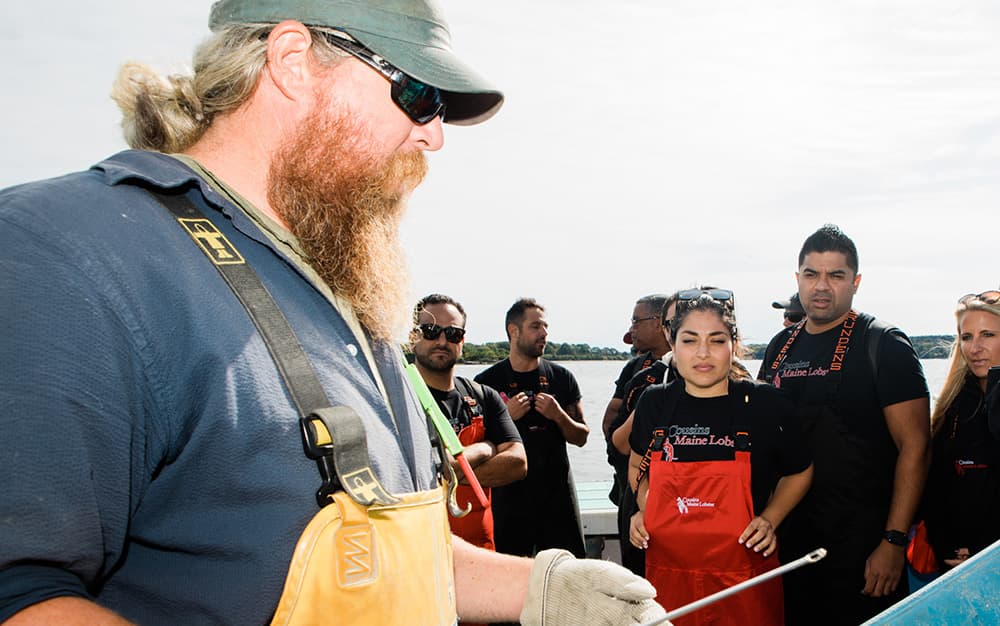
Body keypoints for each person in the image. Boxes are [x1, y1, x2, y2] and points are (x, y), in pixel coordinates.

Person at [0, 2, 666, 624]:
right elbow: (21, 593)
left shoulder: (343, 294)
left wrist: (543, 589)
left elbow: (380, 556)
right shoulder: (68, 251)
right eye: (418, 94)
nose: (433, 134)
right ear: (292, 59)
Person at [758, 224, 931, 626]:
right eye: (811, 274)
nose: (822, 286)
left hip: (864, 545)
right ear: (797, 278)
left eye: (835, 276)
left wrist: (892, 542)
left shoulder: (884, 344)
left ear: (855, 282)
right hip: (790, 541)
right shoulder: (780, 347)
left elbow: (916, 448)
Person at [628, 288, 813, 626]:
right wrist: (646, 507)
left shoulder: (767, 404)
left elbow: (800, 471)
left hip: (744, 585)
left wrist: (771, 519)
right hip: (669, 582)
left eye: (716, 340)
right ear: (672, 343)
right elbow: (638, 463)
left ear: (734, 343)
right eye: (689, 340)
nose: (703, 353)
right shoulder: (654, 403)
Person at [410, 293, 527, 552]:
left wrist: (452, 472)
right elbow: (427, 469)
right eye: (430, 331)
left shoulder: (483, 396)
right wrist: (486, 448)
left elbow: (518, 464)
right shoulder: (398, 399)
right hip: (423, 553)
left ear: (462, 340)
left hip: (483, 552)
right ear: (412, 336)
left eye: (452, 334)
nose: (441, 340)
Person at [475, 298, 590, 558]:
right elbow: (478, 446)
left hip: (558, 497)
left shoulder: (562, 378)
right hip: (509, 499)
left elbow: (581, 437)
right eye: (536, 326)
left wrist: (559, 415)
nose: (544, 333)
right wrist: (508, 417)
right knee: (509, 577)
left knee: (567, 573)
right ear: (513, 331)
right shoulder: (486, 383)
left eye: (546, 326)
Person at [921, 290, 1000, 571]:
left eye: (988, 335)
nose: (975, 347)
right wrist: (946, 548)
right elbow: (934, 488)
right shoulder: (953, 407)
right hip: (956, 569)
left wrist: (985, 550)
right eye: (967, 337)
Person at [607, 293, 678, 575]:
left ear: (662, 323)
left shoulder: (733, 380)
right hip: (635, 488)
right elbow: (613, 432)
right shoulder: (638, 373)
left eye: (637, 321)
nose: (632, 328)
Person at [602, 295, 672, 441]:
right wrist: (619, 455)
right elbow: (612, 414)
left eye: (636, 321)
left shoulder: (691, 367)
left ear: (658, 323)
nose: (631, 329)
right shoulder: (634, 367)